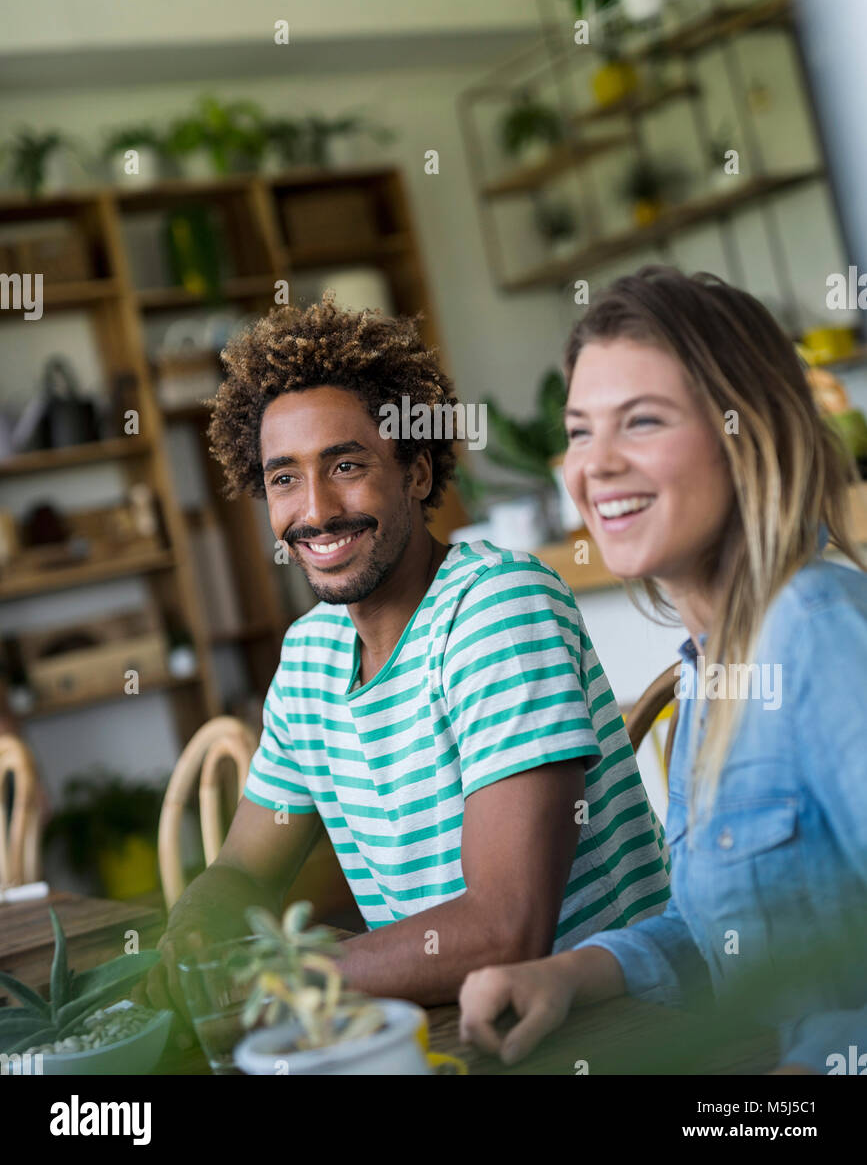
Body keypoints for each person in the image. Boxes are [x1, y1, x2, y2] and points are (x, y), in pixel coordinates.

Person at [145, 295, 669, 1016]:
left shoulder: (498, 608)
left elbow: (503, 929)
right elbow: (240, 869)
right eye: (284, 478)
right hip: (454, 1027)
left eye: (346, 465)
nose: (317, 510)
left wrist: (279, 975)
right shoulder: (309, 658)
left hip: (617, 1028)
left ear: (416, 473)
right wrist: (194, 940)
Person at [459, 266, 867, 1074]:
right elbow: (717, 923)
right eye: (579, 431)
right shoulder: (710, 664)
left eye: (640, 422)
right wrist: (565, 973)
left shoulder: (814, 630)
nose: (595, 465)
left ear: (746, 432)